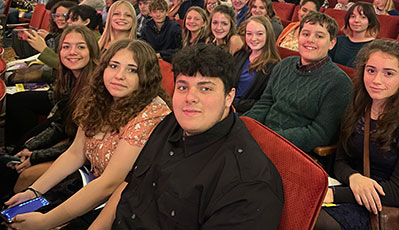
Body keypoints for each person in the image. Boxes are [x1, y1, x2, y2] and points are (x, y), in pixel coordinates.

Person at [88, 43, 284, 230]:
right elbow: (129, 185)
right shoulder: (172, 121)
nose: (190, 97)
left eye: (205, 88)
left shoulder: (247, 185)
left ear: (229, 97)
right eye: (183, 87)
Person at [5, 39, 172, 229]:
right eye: (114, 66)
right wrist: (33, 192)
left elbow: (110, 183)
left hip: (124, 204)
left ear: (146, 77)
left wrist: (45, 222)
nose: (119, 76)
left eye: (132, 70)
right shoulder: (99, 96)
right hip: (90, 183)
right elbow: (75, 154)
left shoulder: (151, 114)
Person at [316, 39, 399, 230]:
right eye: (371, 70)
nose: (376, 80)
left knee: (315, 219)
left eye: (388, 73)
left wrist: (334, 194)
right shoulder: (358, 107)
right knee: (294, 200)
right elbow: (341, 160)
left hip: (391, 205)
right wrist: (354, 178)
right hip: (355, 188)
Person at [2, 26, 100, 197]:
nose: (72, 52)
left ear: (92, 50)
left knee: (23, 175)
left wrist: (35, 156)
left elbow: (81, 148)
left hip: (92, 158)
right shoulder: (70, 78)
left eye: (81, 47)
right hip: (74, 142)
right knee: (19, 154)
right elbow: (62, 124)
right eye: (66, 47)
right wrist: (30, 148)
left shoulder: (94, 88)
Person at [245, 12, 352, 153]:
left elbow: (320, 133)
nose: (310, 40)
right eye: (306, 34)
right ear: (298, 37)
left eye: (319, 36)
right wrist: (245, 125)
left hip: (297, 152)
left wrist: (269, 139)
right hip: (263, 139)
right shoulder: (284, 65)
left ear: (332, 43)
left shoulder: (339, 82)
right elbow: (266, 102)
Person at [233, 16, 280, 114]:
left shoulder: (275, 66)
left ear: (268, 35)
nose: (253, 38)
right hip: (227, 106)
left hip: (246, 113)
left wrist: (234, 103)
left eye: (259, 34)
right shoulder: (240, 55)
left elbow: (265, 102)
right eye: (249, 34)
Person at [329, 2, 380, 68]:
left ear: (370, 22)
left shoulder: (376, 47)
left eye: (363, 17)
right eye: (353, 16)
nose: (356, 20)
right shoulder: (338, 40)